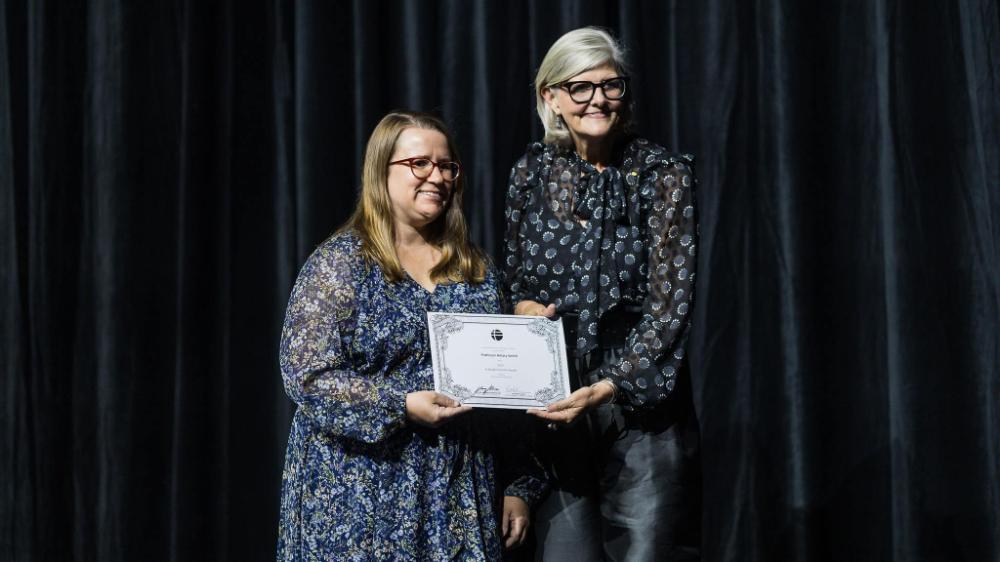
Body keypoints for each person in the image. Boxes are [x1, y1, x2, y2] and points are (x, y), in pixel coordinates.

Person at [277, 111, 546, 561]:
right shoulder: (342, 264)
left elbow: (506, 393)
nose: (436, 176)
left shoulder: (475, 272)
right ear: (381, 172)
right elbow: (307, 377)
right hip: (359, 493)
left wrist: (520, 484)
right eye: (419, 163)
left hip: (457, 493)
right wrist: (400, 404)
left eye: (446, 166)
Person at [503, 28, 701, 561]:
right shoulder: (531, 173)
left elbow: (670, 309)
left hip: (641, 410)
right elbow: (515, 280)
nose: (597, 100)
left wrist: (608, 387)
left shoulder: (663, 176)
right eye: (580, 87)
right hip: (555, 407)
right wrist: (523, 308)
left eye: (609, 85)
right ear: (552, 98)